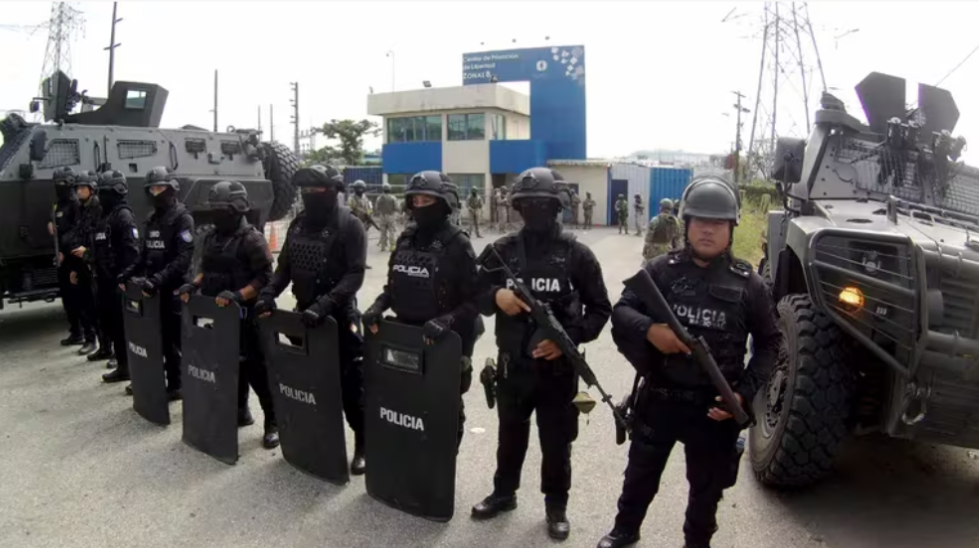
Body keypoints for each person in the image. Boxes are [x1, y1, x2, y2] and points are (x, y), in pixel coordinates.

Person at [596, 176, 781, 548]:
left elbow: (770, 344)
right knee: (639, 475)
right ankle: (625, 530)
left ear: (731, 229)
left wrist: (743, 395)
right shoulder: (661, 270)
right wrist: (651, 331)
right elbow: (621, 310)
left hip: (714, 409)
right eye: (700, 221)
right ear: (687, 224)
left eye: (717, 224)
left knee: (706, 491)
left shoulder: (750, 285)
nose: (707, 230)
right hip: (660, 399)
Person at [471, 167, 612, 542]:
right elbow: (471, 292)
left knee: (556, 441)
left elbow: (601, 310)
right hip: (512, 366)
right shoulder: (501, 252)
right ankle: (504, 493)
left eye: (542, 205)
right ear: (517, 207)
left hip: (557, 371)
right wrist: (495, 298)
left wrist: (568, 338)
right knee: (509, 436)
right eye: (526, 205)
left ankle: (556, 506)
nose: (534, 211)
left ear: (556, 206)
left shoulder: (577, 255)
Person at [255, 164, 367, 475]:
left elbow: (355, 274)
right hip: (304, 317)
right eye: (305, 192)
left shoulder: (350, 225)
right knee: (306, 382)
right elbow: (284, 270)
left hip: (338, 317)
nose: (310, 196)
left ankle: (363, 442)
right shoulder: (299, 225)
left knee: (349, 386)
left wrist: (326, 304)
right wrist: (267, 294)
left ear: (333, 191)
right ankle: (314, 439)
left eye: (316, 191)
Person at [362, 171, 480, 447]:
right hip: (407, 336)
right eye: (415, 199)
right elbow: (393, 289)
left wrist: (447, 320)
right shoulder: (406, 239)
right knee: (406, 402)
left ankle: (442, 463)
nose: (420, 205)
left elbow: (477, 300)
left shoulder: (458, 243)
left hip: (446, 339)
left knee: (445, 406)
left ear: (444, 202)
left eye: (427, 199)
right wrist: (377, 307)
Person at [178, 181, 279, 449]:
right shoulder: (212, 237)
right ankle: (240, 412)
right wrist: (194, 284)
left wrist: (239, 295)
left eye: (221, 208)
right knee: (231, 366)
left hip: (247, 314)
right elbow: (207, 270)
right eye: (214, 208)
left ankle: (273, 421)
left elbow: (265, 278)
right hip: (220, 317)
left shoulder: (252, 239)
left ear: (236, 209)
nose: (216, 213)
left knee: (257, 369)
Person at [118, 166, 195, 401]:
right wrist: (127, 274)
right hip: (153, 289)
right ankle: (164, 381)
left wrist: (158, 280)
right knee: (158, 339)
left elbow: (183, 259)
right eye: (151, 188)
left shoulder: (183, 218)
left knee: (176, 339)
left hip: (173, 288)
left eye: (160, 187)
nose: (155, 192)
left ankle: (179, 384)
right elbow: (144, 255)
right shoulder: (152, 219)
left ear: (171, 189)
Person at [92, 171, 140, 379]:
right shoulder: (106, 216)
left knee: (123, 327)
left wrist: (125, 278)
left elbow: (132, 252)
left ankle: (129, 367)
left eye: (104, 192)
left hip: (118, 281)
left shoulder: (123, 216)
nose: (100, 196)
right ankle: (122, 366)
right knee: (112, 324)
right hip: (105, 279)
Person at [65, 170, 103, 356]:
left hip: (94, 264)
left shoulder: (99, 209)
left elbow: (101, 240)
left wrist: (87, 252)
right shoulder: (79, 209)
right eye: (77, 188)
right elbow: (77, 234)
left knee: (98, 307)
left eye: (82, 188)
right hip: (80, 264)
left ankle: (106, 346)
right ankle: (90, 339)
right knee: (84, 305)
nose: (79, 191)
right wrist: (74, 268)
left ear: (92, 189)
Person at [51, 167, 83, 347]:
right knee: (67, 298)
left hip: (72, 257)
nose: (59, 186)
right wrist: (51, 224)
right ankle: (75, 331)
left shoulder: (74, 204)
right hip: (62, 257)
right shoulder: (58, 205)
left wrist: (64, 250)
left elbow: (76, 231)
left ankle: (83, 333)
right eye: (57, 183)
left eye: (62, 183)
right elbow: (59, 226)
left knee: (76, 296)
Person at [641, 198, 681, 266]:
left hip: (654, 250)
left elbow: (648, 238)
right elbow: (677, 239)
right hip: (668, 249)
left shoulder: (655, 220)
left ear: (661, 207)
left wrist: (645, 251)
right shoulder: (675, 221)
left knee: (650, 268)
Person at [374, 183, 399, 252]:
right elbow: (397, 207)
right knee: (392, 231)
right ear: (389, 189)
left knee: (383, 231)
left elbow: (376, 208)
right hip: (391, 216)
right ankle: (392, 246)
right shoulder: (393, 197)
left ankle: (383, 246)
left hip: (382, 216)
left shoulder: (379, 198)